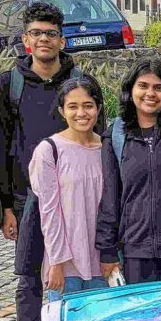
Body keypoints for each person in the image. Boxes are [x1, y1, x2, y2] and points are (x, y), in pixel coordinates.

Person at [0, 1, 88, 321]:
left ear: (62, 40)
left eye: (51, 33)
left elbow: (95, 138)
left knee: (79, 272)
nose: (44, 39)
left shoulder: (80, 83)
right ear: (25, 40)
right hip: (28, 197)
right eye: (36, 33)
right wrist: (6, 207)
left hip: (76, 197)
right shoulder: (10, 84)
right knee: (30, 279)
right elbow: (2, 143)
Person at [96, 58, 161, 284]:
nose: (150, 93)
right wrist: (107, 251)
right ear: (131, 90)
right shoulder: (116, 136)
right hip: (134, 253)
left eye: (159, 87)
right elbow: (109, 197)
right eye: (143, 86)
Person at [30, 76, 108, 301]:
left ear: (98, 108)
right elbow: (49, 211)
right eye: (73, 106)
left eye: (88, 106)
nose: (81, 113)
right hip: (66, 265)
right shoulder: (49, 150)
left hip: (103, 262)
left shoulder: (107, 148)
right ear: (62, 111)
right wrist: (56, 262)